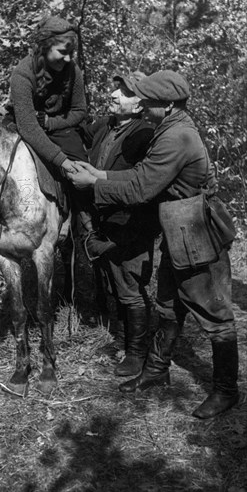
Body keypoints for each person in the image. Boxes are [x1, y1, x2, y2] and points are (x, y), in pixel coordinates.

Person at [68, 70, 239, 419]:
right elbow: (141, 175)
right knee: (167, 305)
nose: (142, 106)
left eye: (150, 102)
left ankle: (226, 391)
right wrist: (99, 173)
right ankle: (157, 371)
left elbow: (140, 189)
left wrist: (93, 184)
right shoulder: (168, 128)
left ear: (170, 105)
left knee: (216, 317)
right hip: (179, 229)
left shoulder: (177, 137)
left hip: (196, 232)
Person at [0, 15, 115, 260]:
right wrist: (60, 160)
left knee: (79, 166)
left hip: (61, 130)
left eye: (71, 53)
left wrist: (53, 126)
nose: (68, 58)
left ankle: (90, 232)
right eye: (62, 52)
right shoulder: (22, 74)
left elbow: (80, 111)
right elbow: (28, 128)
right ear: (44, 46)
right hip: (23, 125)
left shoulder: (73, 70)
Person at [80, 71, 159, 378]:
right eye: (115, 88)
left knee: (131, 289)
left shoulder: (145, 135)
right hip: (106, 222)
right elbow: (77, 133)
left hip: (132, 224)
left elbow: (143, 184)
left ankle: (138, 354)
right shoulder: (106, 127)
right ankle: (126, 343)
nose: (113, 94)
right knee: (117, 286)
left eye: (124, 92)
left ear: (140, 105)